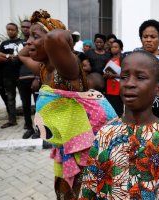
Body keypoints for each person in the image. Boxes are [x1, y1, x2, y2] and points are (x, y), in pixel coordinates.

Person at [18, 9, 117, 199]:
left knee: (85, 192)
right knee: (67, 191)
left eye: (35, 37)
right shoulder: (44, 68)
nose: (28, 42)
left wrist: (55, 31)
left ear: (51, 44)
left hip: (86, 147)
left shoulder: (66, 70)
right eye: (28, 36)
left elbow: (56, 37)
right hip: (68, 144)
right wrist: (37, 31)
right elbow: (22, 55)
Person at [78, 51, 159, 199]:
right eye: (124, 77)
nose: (130, 83)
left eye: (140, 78)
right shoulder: (105, 134)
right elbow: (90, 186)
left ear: (158, 89)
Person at [0, 23, 24, 128]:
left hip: (20, 74)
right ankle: (12, 120)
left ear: (17, 31)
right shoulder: (4, 43)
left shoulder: (22, 42)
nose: (10, 31)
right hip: (7, 76)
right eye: (8, 29)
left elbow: (21, 56)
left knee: (24, 98)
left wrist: (8, 56)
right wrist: (10, 56)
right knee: (10, 98)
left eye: (12, 29)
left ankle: (29, 120)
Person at [17, 19, 40, 139]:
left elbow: (41, 60)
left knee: (38, 105)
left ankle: (39, 130)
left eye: (27, 27)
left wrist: (37, 77)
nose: (25, 29)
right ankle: (29, 128)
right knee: (25, 105)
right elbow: (16, 60)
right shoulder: (19, 43)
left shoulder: (37, 42)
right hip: (22, 79)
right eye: (23, 27)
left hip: (34, 78)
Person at [103, 39, 124, 117]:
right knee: (110, 111)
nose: (113, 49)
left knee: (118, 111)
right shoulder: (109, 60)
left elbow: (126, 75)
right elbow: (104, 73)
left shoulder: (123, 60)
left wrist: (114, 76)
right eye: (112, 47)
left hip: (118, 89)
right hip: (108, 89)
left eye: (116, 47)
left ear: (121, 49)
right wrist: (105, 75)